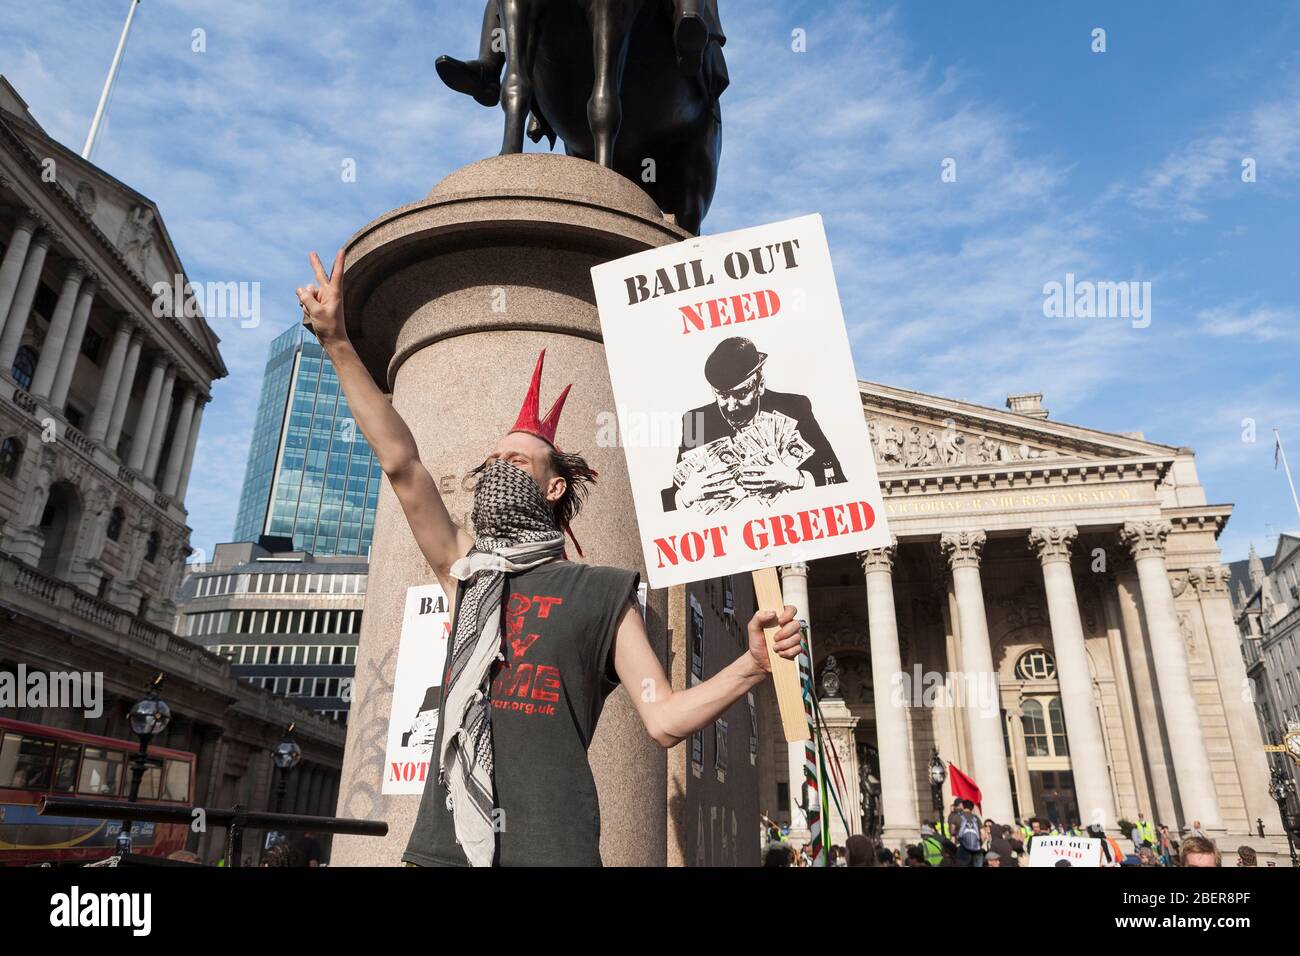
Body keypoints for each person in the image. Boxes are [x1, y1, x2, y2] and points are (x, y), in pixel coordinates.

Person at [296, 251, 805, 867]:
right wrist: (338, 344)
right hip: (444, 853)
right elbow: (402, 465)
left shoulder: (605, 594)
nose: (498, 468)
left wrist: (752, 666)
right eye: (493, 461)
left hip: (554, 852)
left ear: (555, 487)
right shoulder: (468, 571)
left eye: (517, 462)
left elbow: (665, 719)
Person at [661, 337, 846, 512]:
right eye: (723, 395)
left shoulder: (795, 408)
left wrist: (795, 478)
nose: (731, 407)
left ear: (760, 385)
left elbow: (836, 478)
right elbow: (665, 504)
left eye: (741, 394)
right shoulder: (696, 421)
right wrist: (685, 496)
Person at [953, 799, 984, 867]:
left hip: (962, 849)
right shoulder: (976, 818)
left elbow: (952, 831)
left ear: (963, 806)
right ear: (972, 808)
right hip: (976, 849)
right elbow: (983, 833)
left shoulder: (957, 817)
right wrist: (980, 844)